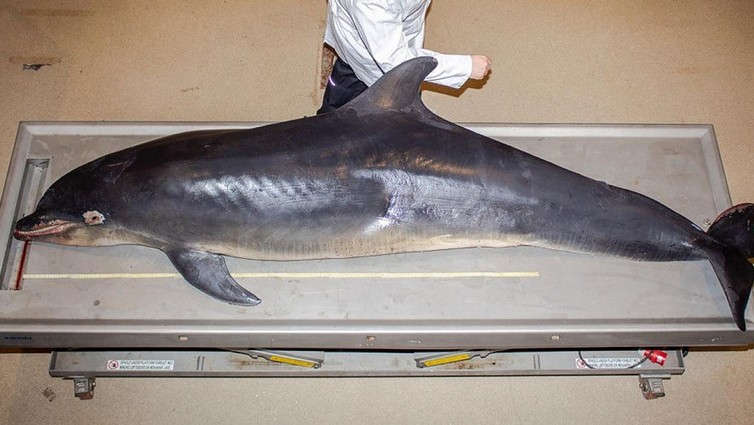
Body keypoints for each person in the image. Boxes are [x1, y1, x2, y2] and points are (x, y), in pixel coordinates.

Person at [317, 0, 491, 114]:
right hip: (364, 62)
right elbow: (393, 60)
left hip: (384, 33)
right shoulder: (370, 3)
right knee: (333, 130)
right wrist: (465, 67)